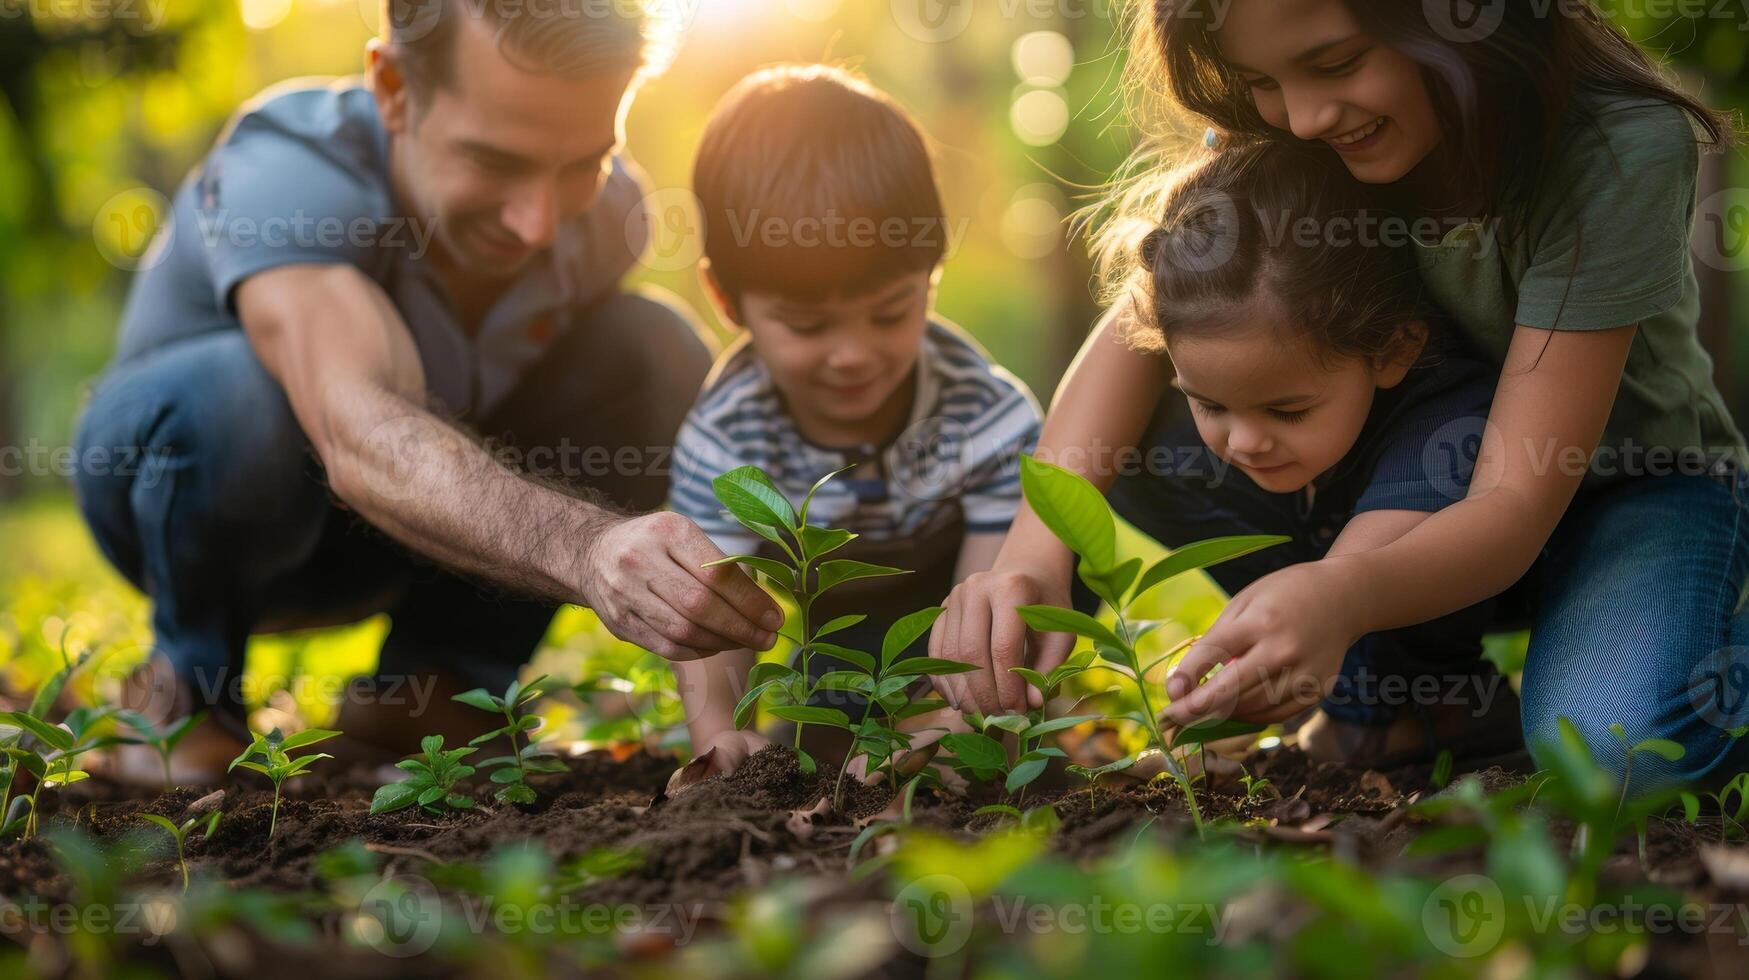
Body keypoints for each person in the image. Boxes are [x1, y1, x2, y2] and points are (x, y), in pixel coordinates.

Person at [931, 0, 1749, 793]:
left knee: (1619, 754)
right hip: (1415, 483)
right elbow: (1145, 320)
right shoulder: (1306, 124)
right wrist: (1033, 557)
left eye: (1334, 62)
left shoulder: (1610, 147)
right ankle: (1405, 706)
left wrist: (1339, 595)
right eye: (1260, 80)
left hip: (1624, 493)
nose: (1305, 116)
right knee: (1175, 418)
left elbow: (1511, 497)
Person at [71, 0, 781, 778]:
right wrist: (585, 547)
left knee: (652, 349)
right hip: (198, 489)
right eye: (495, 161)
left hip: (424, 533)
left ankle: (435, 684)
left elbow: (599, 403)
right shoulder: (295, 169)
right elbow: (357, 430)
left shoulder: (609, 221)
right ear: (395, 89)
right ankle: (185, 694)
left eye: (582, 162)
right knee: (242, 396)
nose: (537, 224)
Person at [663, 65, 1042, 774]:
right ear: (726, 299)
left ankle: (993, 745)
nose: (853, 355)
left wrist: (963, 723)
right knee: (837, 682)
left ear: (932, 273)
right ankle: (844, 733)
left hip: (954, 602)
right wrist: (718, 735)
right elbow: (712, 605)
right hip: (842, 630)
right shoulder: (724, 435)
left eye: (891, 312)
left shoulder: (985, 415)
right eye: (807, 325)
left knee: (1041, 590)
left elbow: (991, 600)